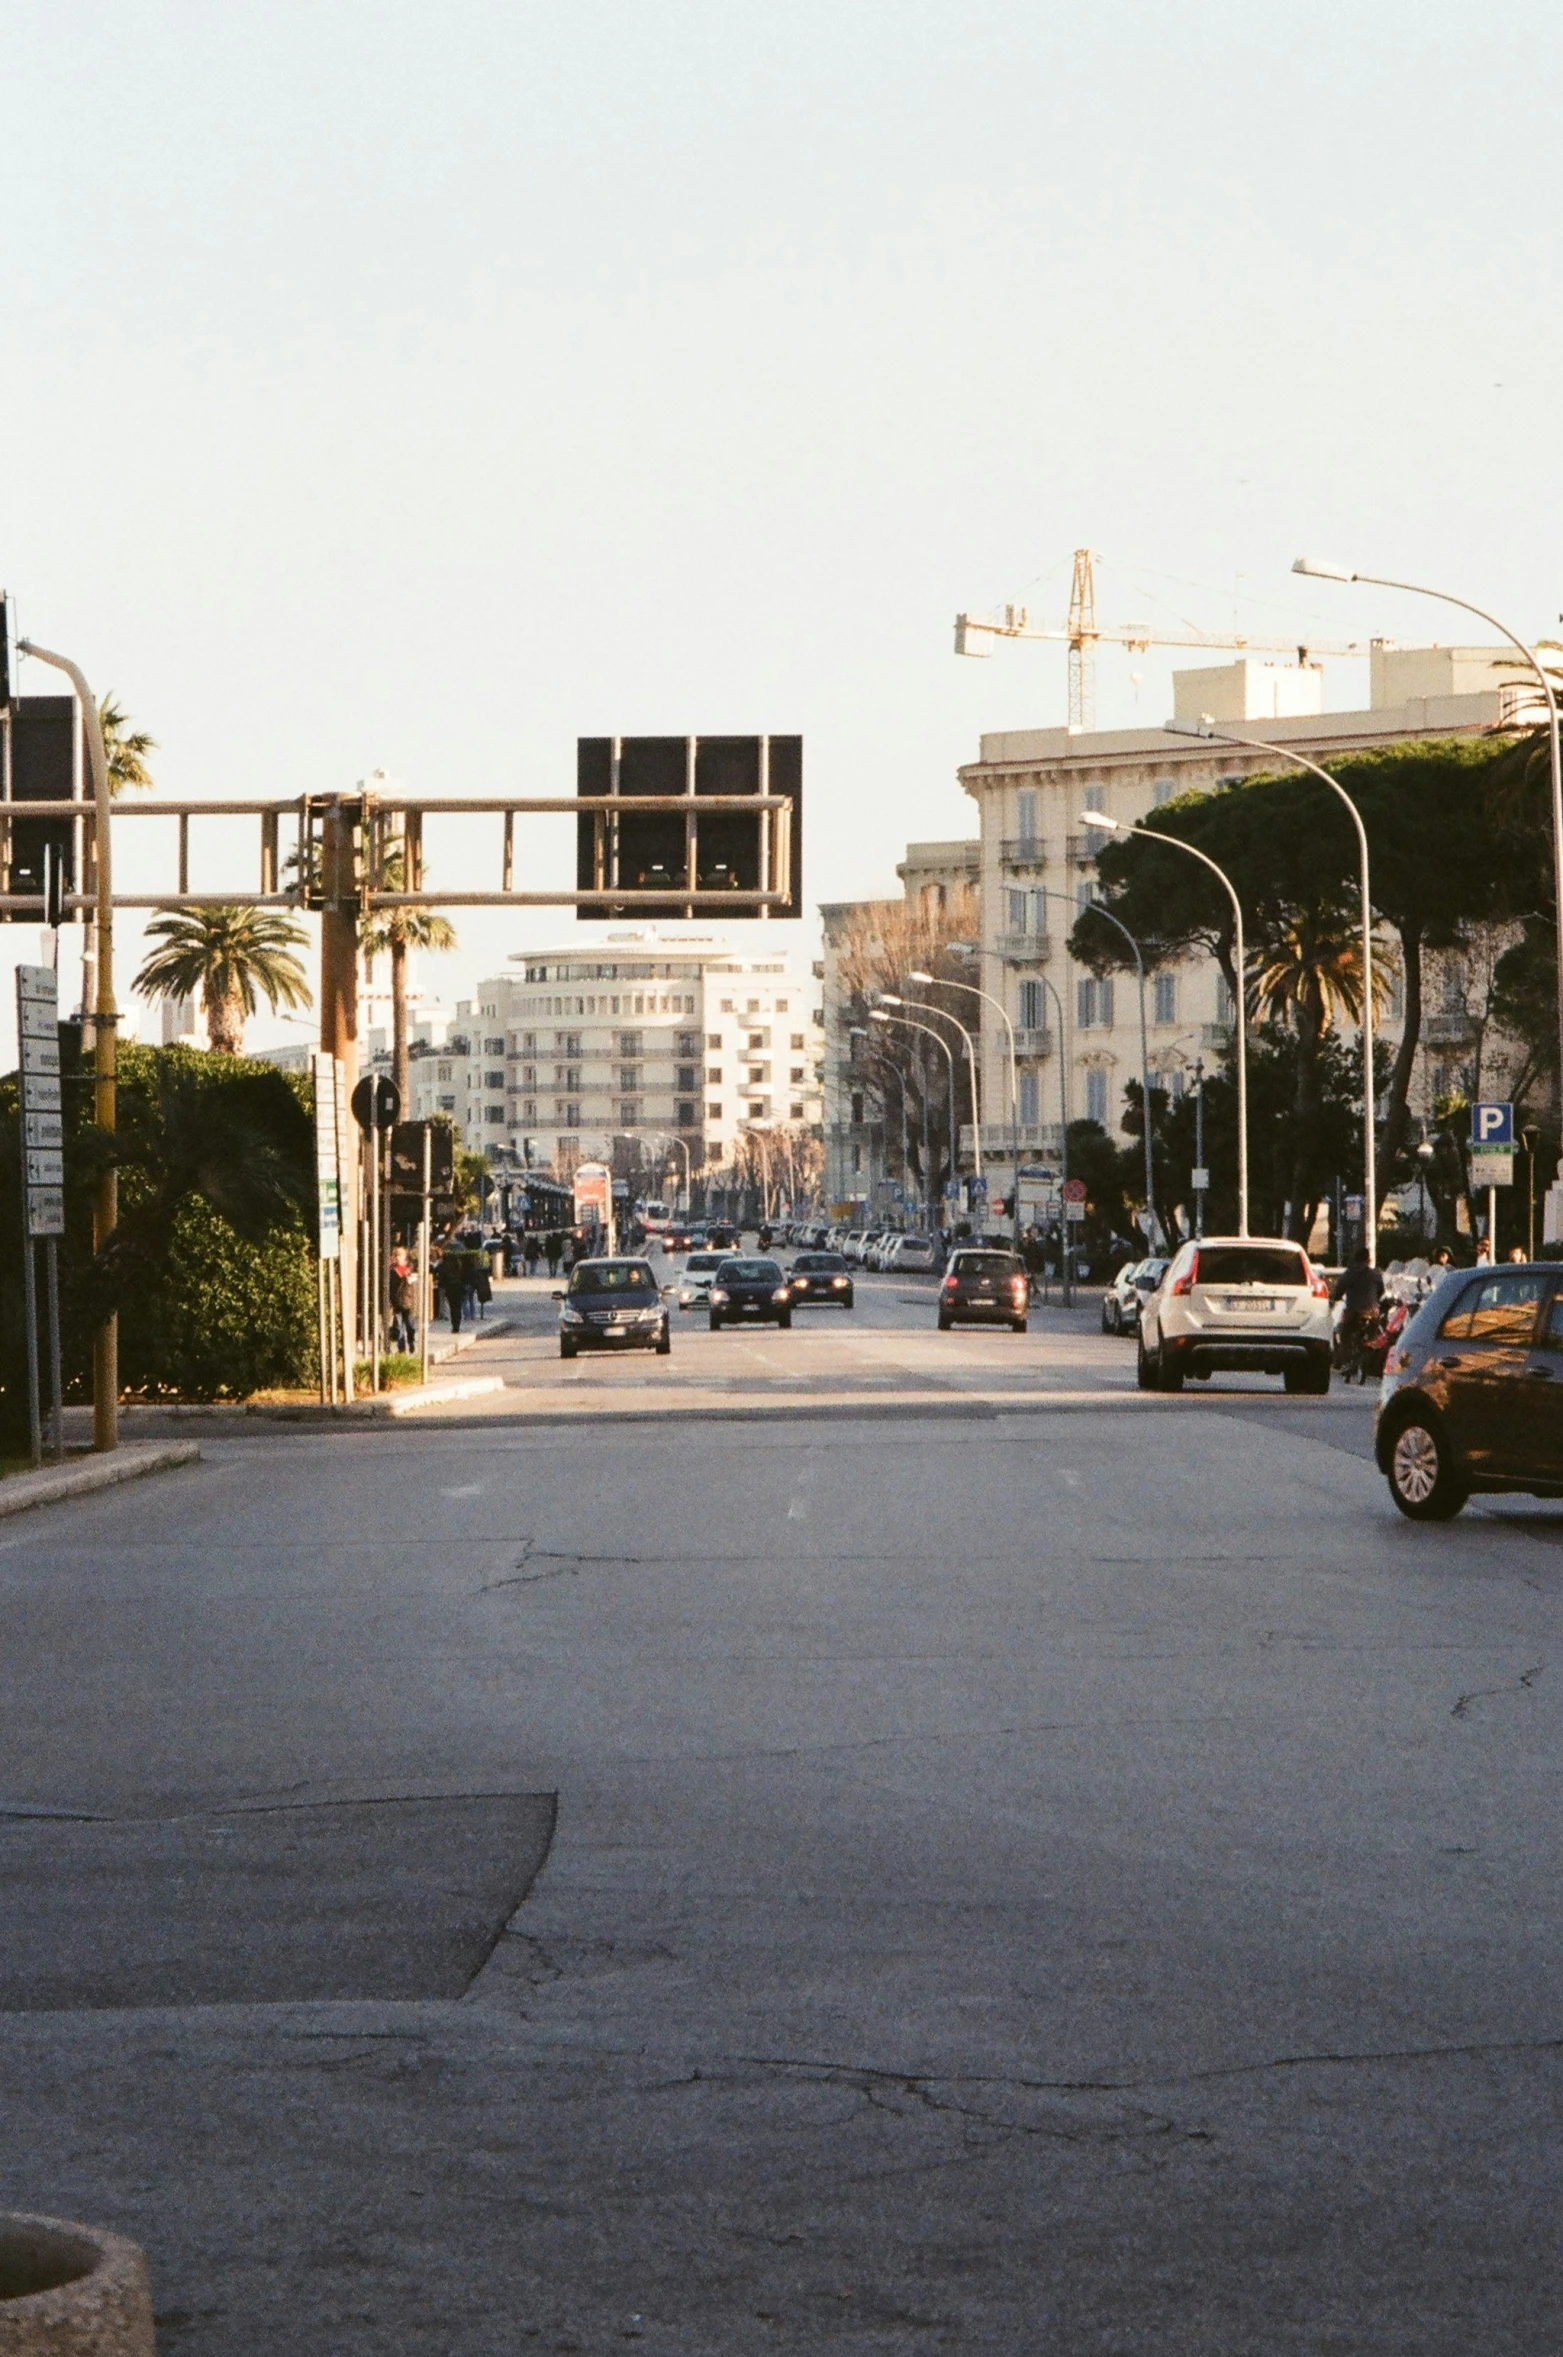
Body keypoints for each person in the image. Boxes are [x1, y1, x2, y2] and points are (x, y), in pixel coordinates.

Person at [1337, 1247, 1385, 1371]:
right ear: (1369, 1259)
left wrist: (1334, 1297)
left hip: (1353, 1311)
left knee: (1344, 1334)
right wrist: (1375, 1302)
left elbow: (1339, 1289)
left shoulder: (1350, 1272)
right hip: (1373, 1312)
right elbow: (1381, 1291)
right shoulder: (1376, 1273)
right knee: (1373, 1335)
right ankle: (1368, 1350)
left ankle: (1347, 1362)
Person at [387, 1247, 417, 1354]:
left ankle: (411, 1342)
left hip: (408, 1302)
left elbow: (413, 1279)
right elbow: (389, 1286)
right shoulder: (391, 1270)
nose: (398, 1258)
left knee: (410, 1326)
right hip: (396, 1302)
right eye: (397, 1256)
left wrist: (409, 1278)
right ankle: (402, 1349)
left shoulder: (408, 1268)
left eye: (401, 1256)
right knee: (398, 1327)